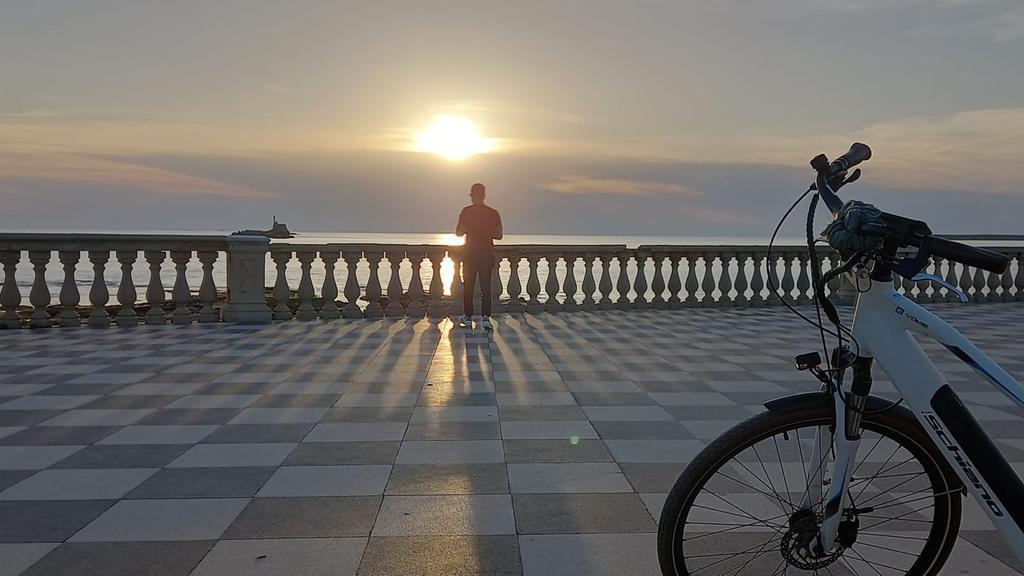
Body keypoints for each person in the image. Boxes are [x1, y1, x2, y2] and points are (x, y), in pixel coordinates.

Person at [455, 182, 503, 330]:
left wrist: (470, 227)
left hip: (470, 254)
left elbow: (458, 232)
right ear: (483, 195)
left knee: (468, 286)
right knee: (485, 287)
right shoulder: (493, 213)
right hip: (486, 254)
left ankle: (468, 317)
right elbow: (499, 235)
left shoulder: (466, 212)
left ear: (471, 196)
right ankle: (486, 318)